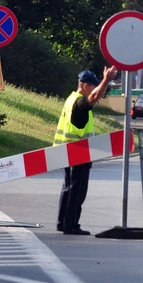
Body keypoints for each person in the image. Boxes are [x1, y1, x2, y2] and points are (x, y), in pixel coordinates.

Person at [54, 65, 118, 235]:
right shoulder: (81, 102)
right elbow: (95, 96)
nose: (96, 92)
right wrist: (107, 79)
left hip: (67, 150)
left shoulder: (71, 99)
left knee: (68, 187)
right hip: (78, 152)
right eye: (93, 86)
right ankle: (71, 225)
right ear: (84, 86)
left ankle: (62, 222)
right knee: (77, 190)